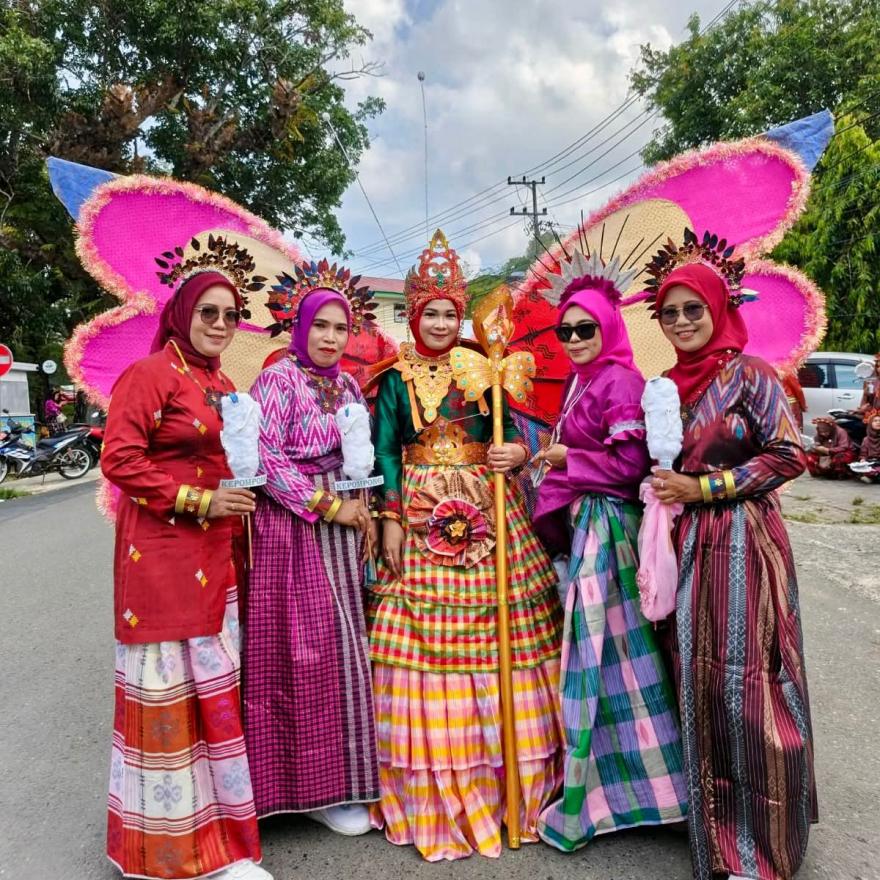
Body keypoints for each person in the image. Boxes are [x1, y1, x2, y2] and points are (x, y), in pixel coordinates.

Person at [367, 230, 564, 860]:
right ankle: (429, 785)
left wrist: (518, 451)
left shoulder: (488, 362)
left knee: (507, 629)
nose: (444, 322)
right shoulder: (392, 377)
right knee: (413, 631)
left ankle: (508, 784)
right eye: (433, 312)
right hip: (420, 506)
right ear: (415, 312)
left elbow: (523, 431)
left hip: (489, 501)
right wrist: (392, 516)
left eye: (452, 312)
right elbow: (386, 452)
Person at [648, 254, 817, 880]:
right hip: (684, 542)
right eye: (670, 313)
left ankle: (757, 841)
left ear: (719, 309)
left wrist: (708, 488)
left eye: (695, 309)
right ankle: (708, 822)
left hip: (743, 538)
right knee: (690, 673)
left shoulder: (752, 375)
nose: (683, 321)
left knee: (746, 681)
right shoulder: (664, 383)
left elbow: (788, 455)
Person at [101, 270, 270, 880]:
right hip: (163, 557)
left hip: (214, 557)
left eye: (230, 314)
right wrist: (200, 501)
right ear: (182, 313)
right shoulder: (150, 376)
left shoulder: (220, 380)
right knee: (170, 698)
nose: (220, 324)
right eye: (209, 312)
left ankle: (218, 847)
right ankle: (165, 857)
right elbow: (118, 458)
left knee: (212, 696)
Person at [530, 254, 687, 851]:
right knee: (607, 657)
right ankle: (636, 791)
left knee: (600, 658)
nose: (573, 340)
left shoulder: (621, 381)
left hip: (609, 530)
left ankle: (629, 796)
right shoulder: (582, 380)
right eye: (564, 331)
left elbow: (628, 468)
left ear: (609, 328)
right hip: (588, 524)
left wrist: (568, 460)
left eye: (585, 329)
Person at [242, 268, 379, 834]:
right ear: (296, 328)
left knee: (348, 652)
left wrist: (365, 506)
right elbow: (265, 458)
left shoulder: (348, 386)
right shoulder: (277, 381)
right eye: (318, 325)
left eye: (339, 328)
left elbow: (359, 454)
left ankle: (342, 782)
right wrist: (327, 506)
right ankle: (305, 788)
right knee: (305, 653)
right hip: (293, 530)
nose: (329, 337)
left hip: (344, 528)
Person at [856, 409, 880, 483]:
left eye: (879, 421)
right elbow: (863, 454)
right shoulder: (866, 439)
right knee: (864, 468)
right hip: (871, 462)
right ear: (870, 424)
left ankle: (872, 478)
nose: (878, 422)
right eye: (875, 421)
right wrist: (862, 459)